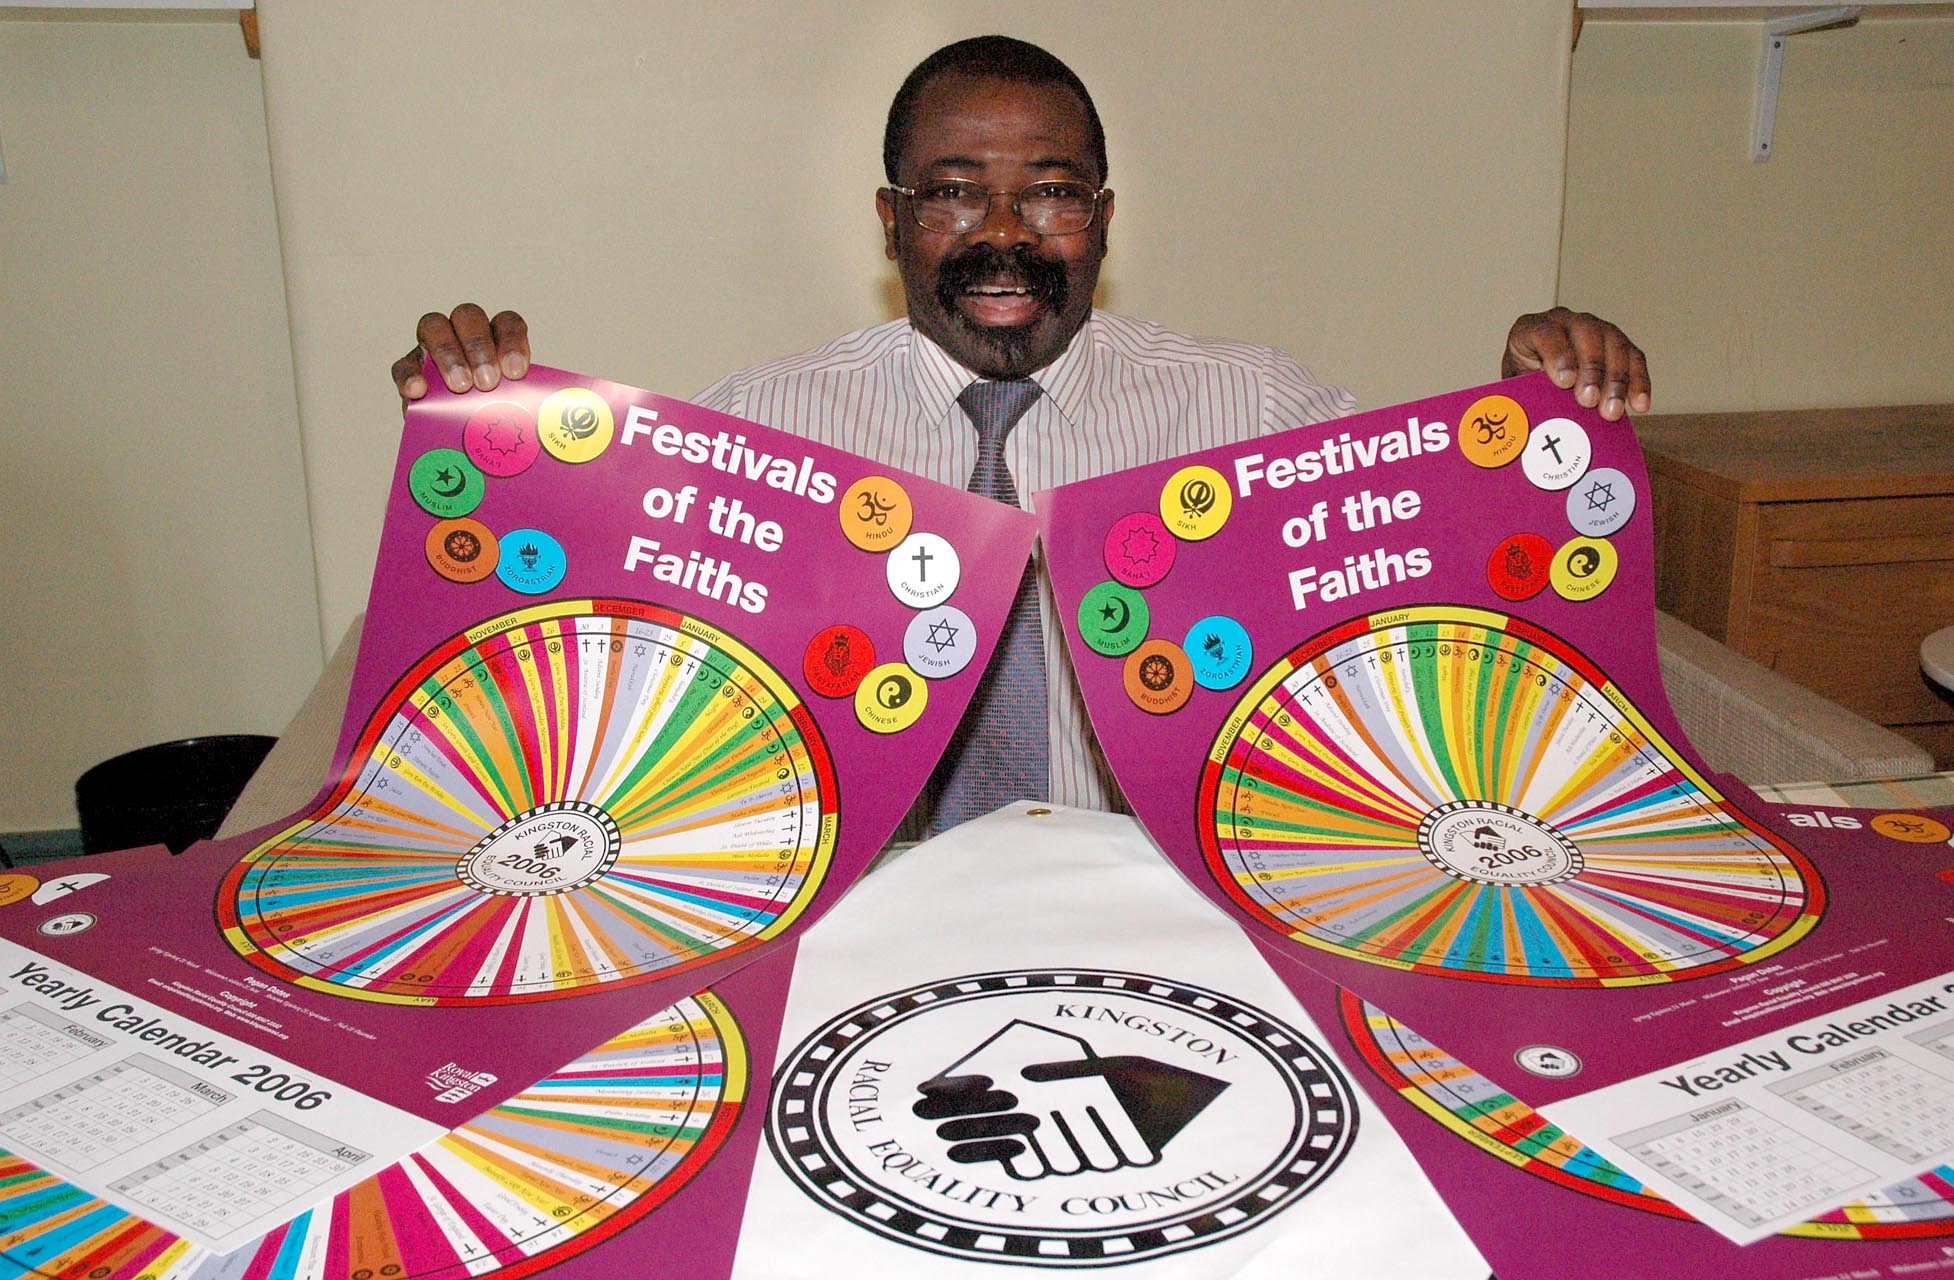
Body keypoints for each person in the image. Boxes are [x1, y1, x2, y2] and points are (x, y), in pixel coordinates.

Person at [392, 35, 1651, 833]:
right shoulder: (757, 428)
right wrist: (493, 436)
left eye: (1048, 190)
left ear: (1099, 218)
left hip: (1169, 904)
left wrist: (1526, 424)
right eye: (952, 192)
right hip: (856, 906)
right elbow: (611, 659)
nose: (1005, 229)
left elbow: (1413, 557)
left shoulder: (1253, 409)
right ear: (890, 225)